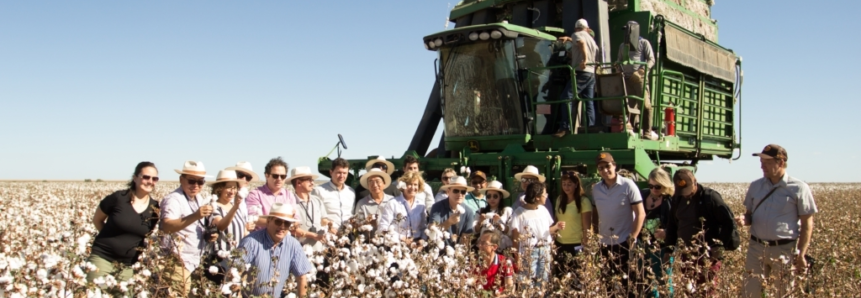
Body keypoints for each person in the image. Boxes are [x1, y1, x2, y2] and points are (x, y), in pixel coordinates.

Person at [736, 144, 817, 298]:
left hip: (784, 250)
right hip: (756, 248)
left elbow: (807, 224)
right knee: (750, 293)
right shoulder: (755, 186)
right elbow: (749, 215)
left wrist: (801, 254)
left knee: (784, 293)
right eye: (761, 162)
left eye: (767, 162)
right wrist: (743, 219)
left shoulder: (799, 188)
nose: (762, 166)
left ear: (781, 162)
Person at [87, 162, 160, 283]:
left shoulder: (155, 208)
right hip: (102, 258)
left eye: (154, 178)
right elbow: (97, 220)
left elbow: (145, 235)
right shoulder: (118, 198)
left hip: (127, 266)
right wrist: (111, 239)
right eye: (146, 177)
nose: (150, 181)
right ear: (135, 178)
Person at [591, 152, 645, 297]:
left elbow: (641, 214)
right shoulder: (596, 189)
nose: (605, 170)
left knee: (629, 284)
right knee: (607, 283)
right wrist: (595, 235)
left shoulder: (628, 185)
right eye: (601, 168)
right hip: (604, 243)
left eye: (607, 166)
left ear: (614, 166)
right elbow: (595, 214)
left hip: (624, 242)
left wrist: (632, 237)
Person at [159, 161, 214, 295]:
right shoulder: (174, 199)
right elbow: (166, 226)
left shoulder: (198, 198)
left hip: (194, 262)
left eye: (200, 182)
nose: (196, 185)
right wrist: (195, 216)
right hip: (178, 262)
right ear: (181, 179)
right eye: (191, 181)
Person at [239, 203, 312, 297]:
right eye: (278, 222)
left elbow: (302, 277)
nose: (282, 226)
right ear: (268, 221)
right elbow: (236, 272)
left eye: (286, 223)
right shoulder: (251, 242)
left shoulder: (293, 245)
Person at [510, 182, 565, 284]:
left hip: (544, 249)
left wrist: (556, 227)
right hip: (528, 252)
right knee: (527, 282)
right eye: (545, 194)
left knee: (544, 281)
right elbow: (515, 238)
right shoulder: (519, 213)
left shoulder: (543, 210)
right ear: (537, 197)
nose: (546, 196)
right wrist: (517, 257)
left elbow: (544, 231)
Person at [555, 18, 599, 137]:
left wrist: (584, 60)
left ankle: (565, 128)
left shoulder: (577, 34)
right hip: (591, 73)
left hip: (580, 72)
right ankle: (590, 127)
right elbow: (584, 44)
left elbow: (581, 43)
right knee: (588, 101)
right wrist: (569, 40)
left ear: (575, 28)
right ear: (587, 28)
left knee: (566, 97)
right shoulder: (591, 38)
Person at [616, 20, 656, 140]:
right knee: (628, 106)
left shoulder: (644, 43)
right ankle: (630, 130)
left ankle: (647, 132)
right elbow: (619, 60)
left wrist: (643, 69)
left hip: (640, 78)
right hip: (626, 79)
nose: (626, 33)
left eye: (628, 30)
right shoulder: (622, 46)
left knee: (645, 104)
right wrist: (618, 67)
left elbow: (651, 59)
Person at [639, 167, 674, 297]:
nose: (654, 189)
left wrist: (666, 232)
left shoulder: (671, 201)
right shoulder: (642, 195)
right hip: (642, 246)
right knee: (645, 280)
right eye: (651, 185)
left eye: (658, 186)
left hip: (662, 248)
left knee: (663, 280)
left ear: (665, 185)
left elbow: (678, 223)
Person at [553, 171, 593, 278]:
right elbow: (556, 220)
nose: (566, 187)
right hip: (560, 244)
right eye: (564, 184)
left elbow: (586, 227)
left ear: (576, 184)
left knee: (577, 275)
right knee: (561, 275)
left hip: (577, 244)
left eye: (569, 184)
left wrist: (585, 246)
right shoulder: (559, 199)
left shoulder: (583, 201)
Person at [209, 169, 253, 258]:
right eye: (228, 187)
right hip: (221, 259)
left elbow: (244, 232)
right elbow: (221, 226)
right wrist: (235, 207)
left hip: (238, 257)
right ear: (219, 188)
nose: (232, 191)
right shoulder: (214, 206)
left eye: (234, 187)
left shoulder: (236, 207)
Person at [285, 166, 328, 252]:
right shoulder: (289, 203)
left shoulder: (317, 200)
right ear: (298, 183)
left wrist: (328, 224)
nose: (312, 183)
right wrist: (313, 235)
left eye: (312, 180)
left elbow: (324, 220)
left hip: (319, 251)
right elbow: (291, 229)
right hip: (299, 250)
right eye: (309, 180)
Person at [247, 157, 297, 230]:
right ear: (266, 175)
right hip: (261, 237)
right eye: (275, 176)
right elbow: (254, 218)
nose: (279, 179)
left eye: (283, 176)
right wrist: (284, 221)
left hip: (284, 237)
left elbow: (295, 218)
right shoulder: (255, 194)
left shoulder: (289, 195)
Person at [378, 171, 428, 243]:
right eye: (409, 184)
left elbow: (423, 228)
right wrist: (402, 238)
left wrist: (422, 241)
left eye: (415, 184)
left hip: (417, 245)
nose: (413, 187)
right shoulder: (392, 203)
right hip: (397, 244)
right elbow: (382, 228)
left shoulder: (421, 205)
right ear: (402, 186)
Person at [312, 158, 356, 234]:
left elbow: (352, 214)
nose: (342, 176)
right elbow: (315, 216)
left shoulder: (351, 192)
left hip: (348, 236)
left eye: (345, 173)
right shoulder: (319, 191)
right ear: (331, 172)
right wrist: (328, 227)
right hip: (328, 236)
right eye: (339, 172)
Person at [429, 176, 477, 246]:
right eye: (456, 191)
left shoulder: (468, 211)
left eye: (463, 192)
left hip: (459, 252)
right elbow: (432, 231)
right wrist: (449, 222)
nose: (460, 194)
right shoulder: (437, 207)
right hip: (438, 250)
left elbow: (466, 239)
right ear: (448, 192)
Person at [476, 180, 514, 251]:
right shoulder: (480, 211)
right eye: (489, 196)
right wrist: (480, 222)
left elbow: (511, 232)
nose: (492, 199)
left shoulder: (507, 211)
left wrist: (500, 224)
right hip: (484, 248)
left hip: (502, 248)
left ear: (500, 196)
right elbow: (474, 231)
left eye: (495, 196)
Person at [475, 230, 515, 295]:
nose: (480, 245)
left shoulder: (505, 262)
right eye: (479, 242)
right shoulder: (475, 262)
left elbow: (510, 289)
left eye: (483, 243)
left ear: (494, 247)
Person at [354, 168, 394, 232]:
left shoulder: (392, 201)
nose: (375, 185)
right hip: (369, 240)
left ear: (384, 183)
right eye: (371, 182)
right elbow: (357, 224)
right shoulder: (362, 203)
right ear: (368, 185)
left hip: (390, 239)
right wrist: (366, 223)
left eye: (378, 181)